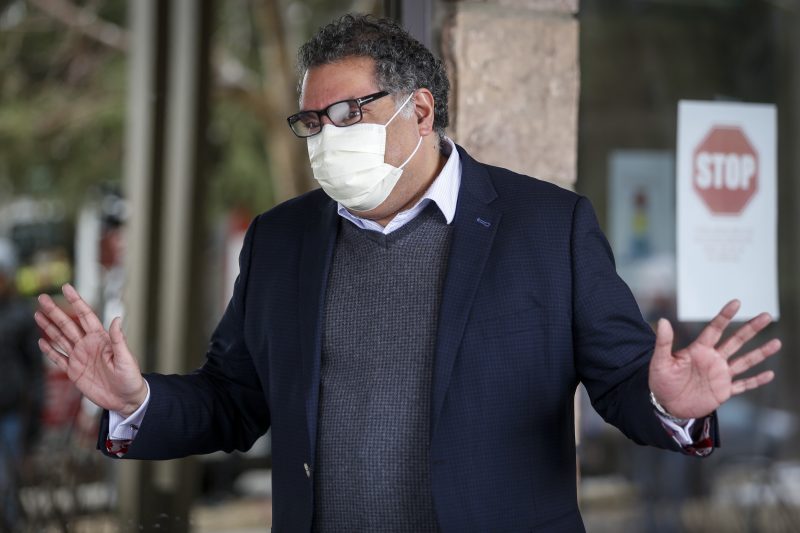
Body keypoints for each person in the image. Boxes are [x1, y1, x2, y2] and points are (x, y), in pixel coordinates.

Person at [34, 14, 780, 532]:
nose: (325, 138)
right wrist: (136, 400)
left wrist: (670, 404)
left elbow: (621, 383)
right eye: (311, 122)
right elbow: (236, 399)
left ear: (420, 110)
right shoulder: (281, 239)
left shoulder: (548, 228)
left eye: (347, 114)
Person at [0, 239, 43, 531]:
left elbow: (35, 372)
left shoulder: (20, 316)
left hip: (11, 415)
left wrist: (34, 427)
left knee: (6, 485)